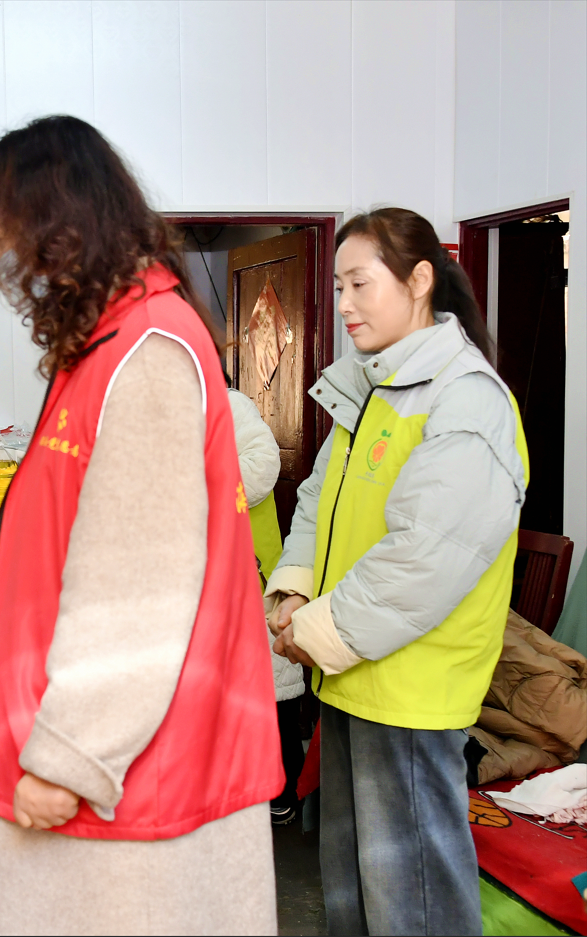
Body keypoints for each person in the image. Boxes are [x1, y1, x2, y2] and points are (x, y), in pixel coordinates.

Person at [0, 116, 283, 934]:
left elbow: (138, 588)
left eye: (7, 236)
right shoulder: (108, 343)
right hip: (105, 748)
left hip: (123, 764)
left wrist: (69, 754)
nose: (7, 262)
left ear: (57, 226)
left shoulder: (146, 353)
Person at [267, 207, 527, 934]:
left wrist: (318, 630)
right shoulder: (375, 387)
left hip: (411, 685)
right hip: (354, 671)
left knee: (412, 895)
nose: (344, 304)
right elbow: (319, 499)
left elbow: (424, 558)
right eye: (338, 286)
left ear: (418, 281)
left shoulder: (466, 399)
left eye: (360, 284)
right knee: (353, 884)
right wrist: (295, 588)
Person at [229, 388, 308, 825]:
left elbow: (263, 467)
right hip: (201, 582)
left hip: (250, 576)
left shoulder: (230, 406)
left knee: (272, 691)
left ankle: (282, 789)